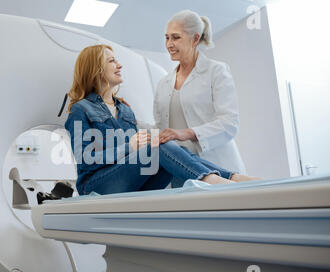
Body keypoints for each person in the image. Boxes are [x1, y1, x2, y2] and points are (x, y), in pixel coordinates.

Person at [64, 44, 257, 196]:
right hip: (96, 185)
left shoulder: (124, 109)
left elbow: (138, 151)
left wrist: (155, 139)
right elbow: (85, 159)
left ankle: (232, 177)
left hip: (130, 180)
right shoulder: (81, 109)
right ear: (95, 68)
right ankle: (212, 181)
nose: (119, 65)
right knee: (158, 148)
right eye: (112, 61)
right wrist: (130, 148)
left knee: (167, 145)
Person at [154, 10, 247, 187]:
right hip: (182, 170)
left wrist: (186, 133)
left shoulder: (216, 71)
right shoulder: (163, 83)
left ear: (195, 39)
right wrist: (128, 117)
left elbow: (229, 123)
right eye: (167, 38)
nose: (169, 44)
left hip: (218, 165)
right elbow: (161, 129)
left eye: (176, 37)